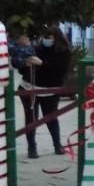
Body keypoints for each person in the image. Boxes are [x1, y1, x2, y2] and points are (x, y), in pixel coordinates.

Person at [32, 28, 71, 156]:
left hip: (51, 88)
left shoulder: (63, 51)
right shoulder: (37, 49)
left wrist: (42, 64)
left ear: (57, 38)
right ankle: (32, 148)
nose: (47, 39)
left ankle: (57, 145)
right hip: (31, 87)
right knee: (31, 118)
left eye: (50, 37)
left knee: (51, 117)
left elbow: (60, 71)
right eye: (45, 36)